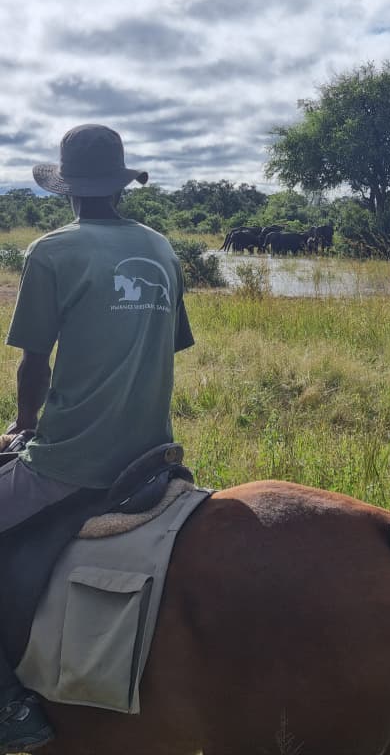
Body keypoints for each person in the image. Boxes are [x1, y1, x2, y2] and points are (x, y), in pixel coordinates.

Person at [0, 123, 194, 753]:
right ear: (120, 183)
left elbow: (34, 363)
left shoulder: (51, 252)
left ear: (66, 189)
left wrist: (25, 426)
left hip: (70, 460)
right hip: (150, 453)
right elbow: (167, 345)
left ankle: (10, 709)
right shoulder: (162, 248)